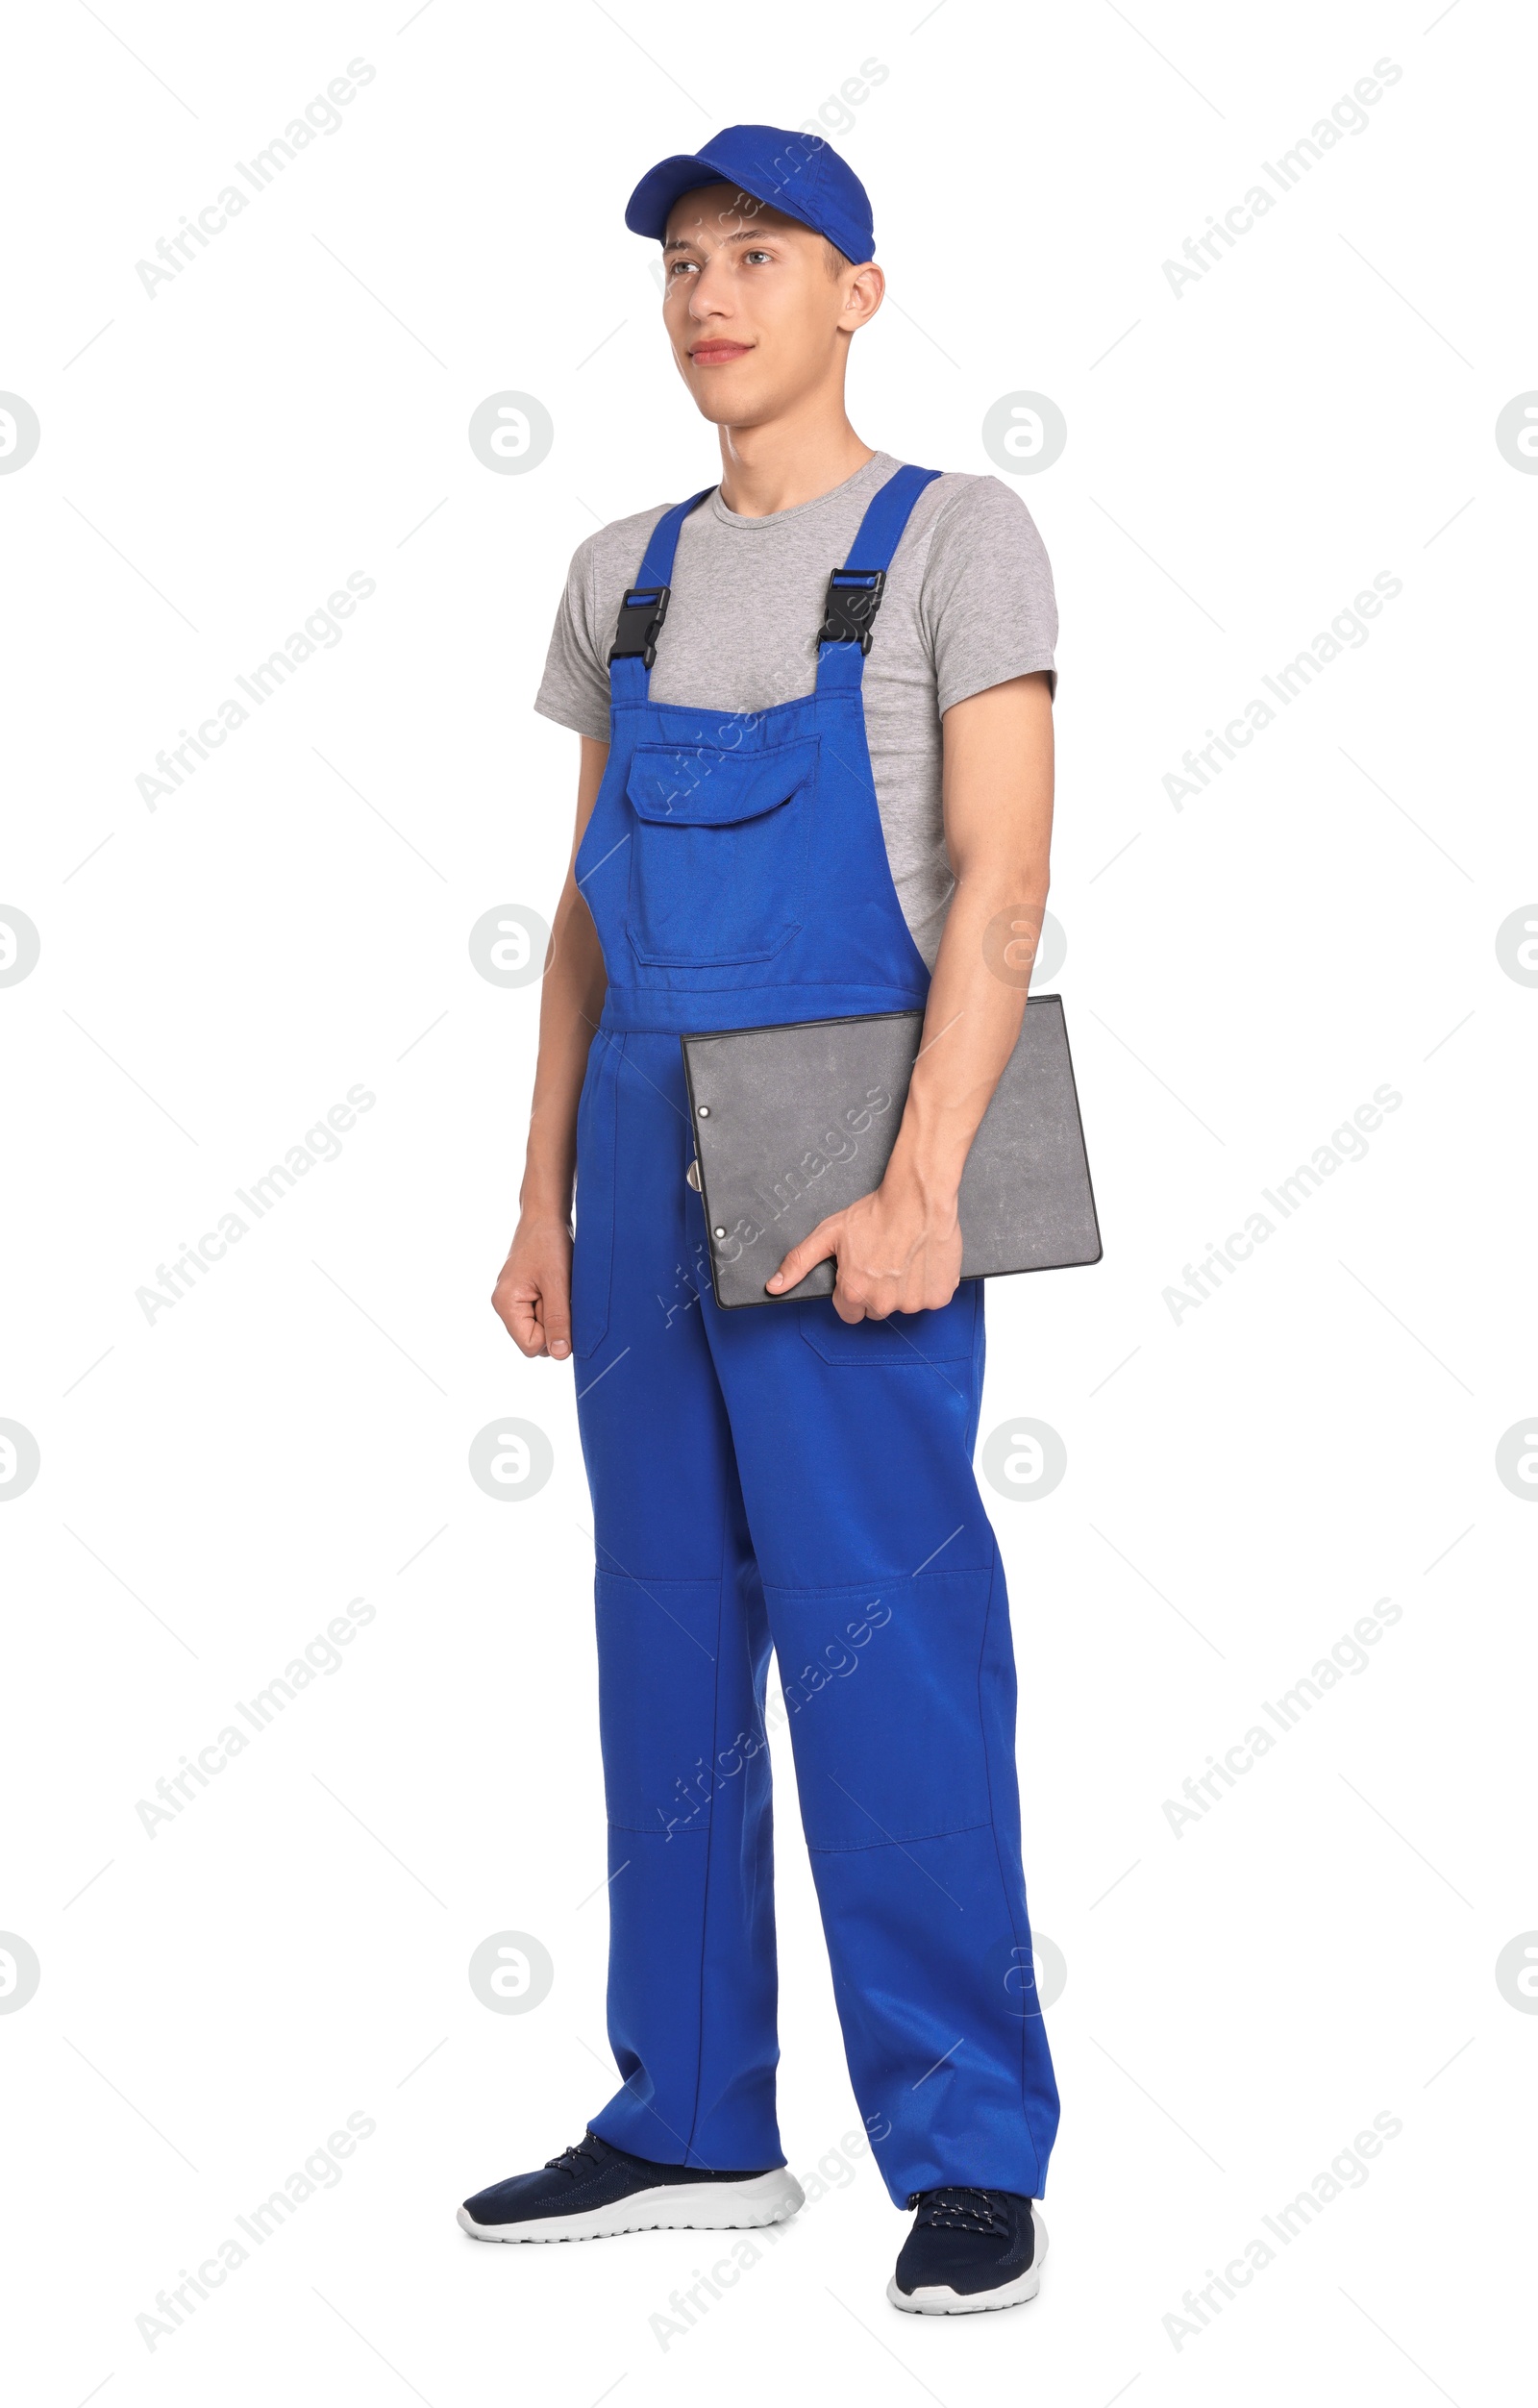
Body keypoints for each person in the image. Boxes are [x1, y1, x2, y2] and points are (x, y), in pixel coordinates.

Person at [460, 123, 1061, 2317]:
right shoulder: (615, 567)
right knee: (660, 1636)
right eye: (682, 263)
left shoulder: (950, 540)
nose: (710, 295)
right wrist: (539, 1191)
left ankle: (967, 2146)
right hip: (636, 1143)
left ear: (855, 294)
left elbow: (998, 880)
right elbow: (584, 920)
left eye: (761, 255)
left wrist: (922, 1183)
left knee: (883, 1646)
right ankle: (691, 2111)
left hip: (846, 1140)